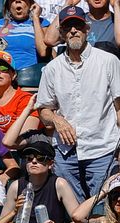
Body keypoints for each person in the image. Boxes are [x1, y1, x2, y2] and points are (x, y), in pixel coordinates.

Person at [37, 6, 120, 203]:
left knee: (100, 208)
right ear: (62, 33)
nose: (73, 30)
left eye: (78, 26)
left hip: (102, 147)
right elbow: (43, 110)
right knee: (72, 212)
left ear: (87, 29)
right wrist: (57, 119)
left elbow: (119, 106)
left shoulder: (108, 61)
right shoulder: (52, 68)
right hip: (66, 152)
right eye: (68, 27)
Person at [0, 140, 83, 223]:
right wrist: (15, 217)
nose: (34, 161)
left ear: (51, 164)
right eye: (29, 158)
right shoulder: (16, 186)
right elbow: (1, 222)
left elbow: (79, 221)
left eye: (40, 158)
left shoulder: (59, 184)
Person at [44, 0, 120, 49]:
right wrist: (68, 5)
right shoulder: (78, 19)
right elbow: (50, 40)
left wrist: (116, 5)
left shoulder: (116, 21)